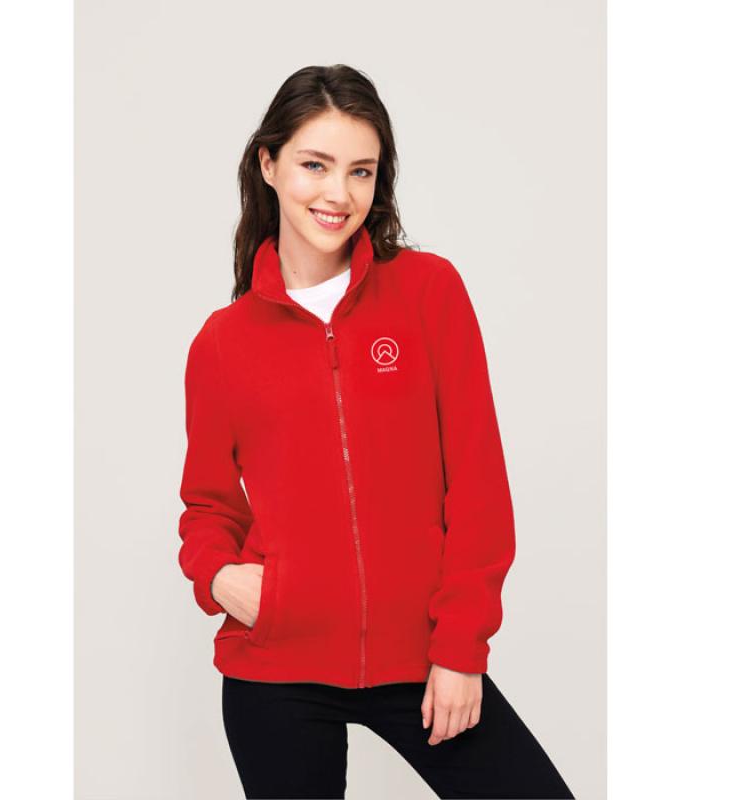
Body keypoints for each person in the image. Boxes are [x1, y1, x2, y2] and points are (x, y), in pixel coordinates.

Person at [177, 64, 575, 799]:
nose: (339, 193)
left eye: (360, 171)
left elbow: (478, 483)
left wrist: (461, 648)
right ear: (268, 164)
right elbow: (207, 504)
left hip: (423, 657)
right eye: (315, 165)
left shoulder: (428, 292)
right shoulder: (223, 343)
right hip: (276, 671)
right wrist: (219, 575)